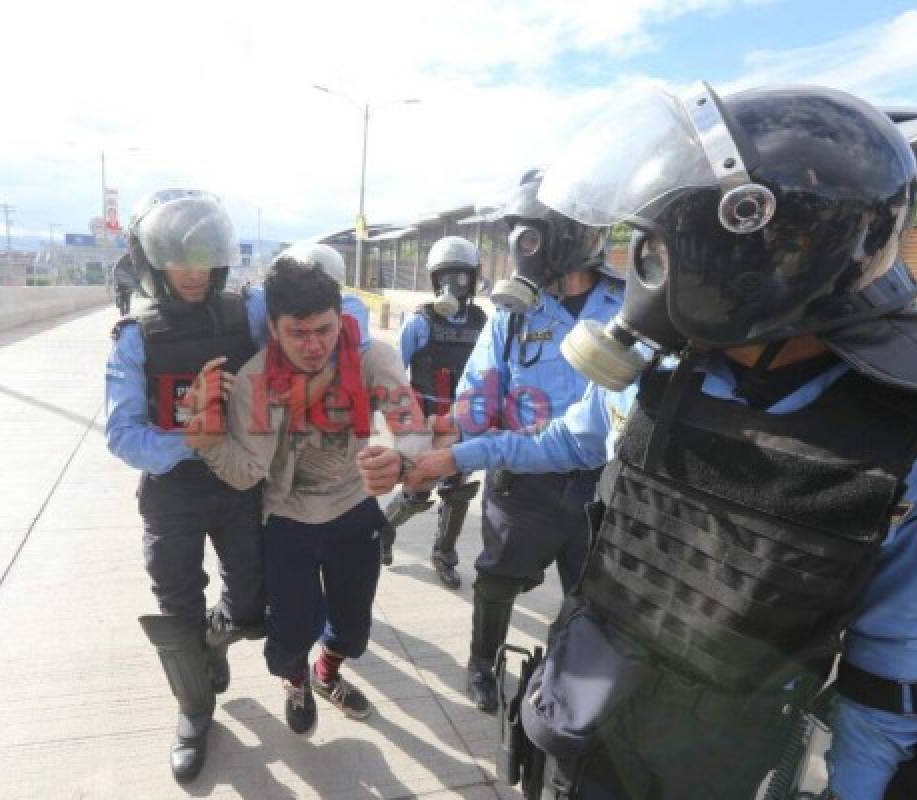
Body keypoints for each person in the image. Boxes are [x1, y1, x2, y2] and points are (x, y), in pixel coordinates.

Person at [359, 83, 917, 800]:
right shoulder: (660, 373)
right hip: (592, 724)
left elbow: (889, 663)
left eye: (667, 248)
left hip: (727, 761)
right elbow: (564, 441)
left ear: (755, 253)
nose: (649, 267)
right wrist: (447, 457)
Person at [105, 198, 372, 782]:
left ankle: (215, 641)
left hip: (243, 487)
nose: (194, 270)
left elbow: (339, 310)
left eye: (203, 255)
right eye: (178, 258)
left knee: (252, 610)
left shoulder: (247, 311)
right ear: (153, 262)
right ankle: (194, 710)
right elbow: (122, 435)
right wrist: (193, 436)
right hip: (173, 495)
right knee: (176, 607)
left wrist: (344, 347)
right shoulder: (135, 337)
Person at [190, 252, 434, 735]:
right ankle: (298, 681)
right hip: (287, 520)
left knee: (352, 624)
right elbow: (245, 473)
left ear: (339, 319)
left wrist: (402, 458)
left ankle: (328, 673)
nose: (313, 345)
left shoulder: (371, 359)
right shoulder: (257, 379)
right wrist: (208, 443)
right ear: (273, 328)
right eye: (297, 333)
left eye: (323, 330)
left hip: (353, 509)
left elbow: (412, 425)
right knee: (292, 628)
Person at [427, 172, 624, 714]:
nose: (522, 252)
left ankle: (566, 680)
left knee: (592, 597)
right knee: (496, 580)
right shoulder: (512, 316)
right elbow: (480, 395)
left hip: (602, 488)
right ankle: (482, 663)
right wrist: (445, 440)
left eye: (532, 237)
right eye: (518, 236)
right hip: (522, 484)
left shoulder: (630, 307)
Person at [379, 235, 489, 589]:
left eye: (461, 276)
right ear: (434, 280)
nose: (453, 285)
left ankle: (444, 554)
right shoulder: (420, 322)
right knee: (417, 489)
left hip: (462, 423)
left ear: (472, 279)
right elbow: (394, 372)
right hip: (425, 424)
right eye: (445, 276)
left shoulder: (482, 322)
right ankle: (382, 531)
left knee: (457, 491)